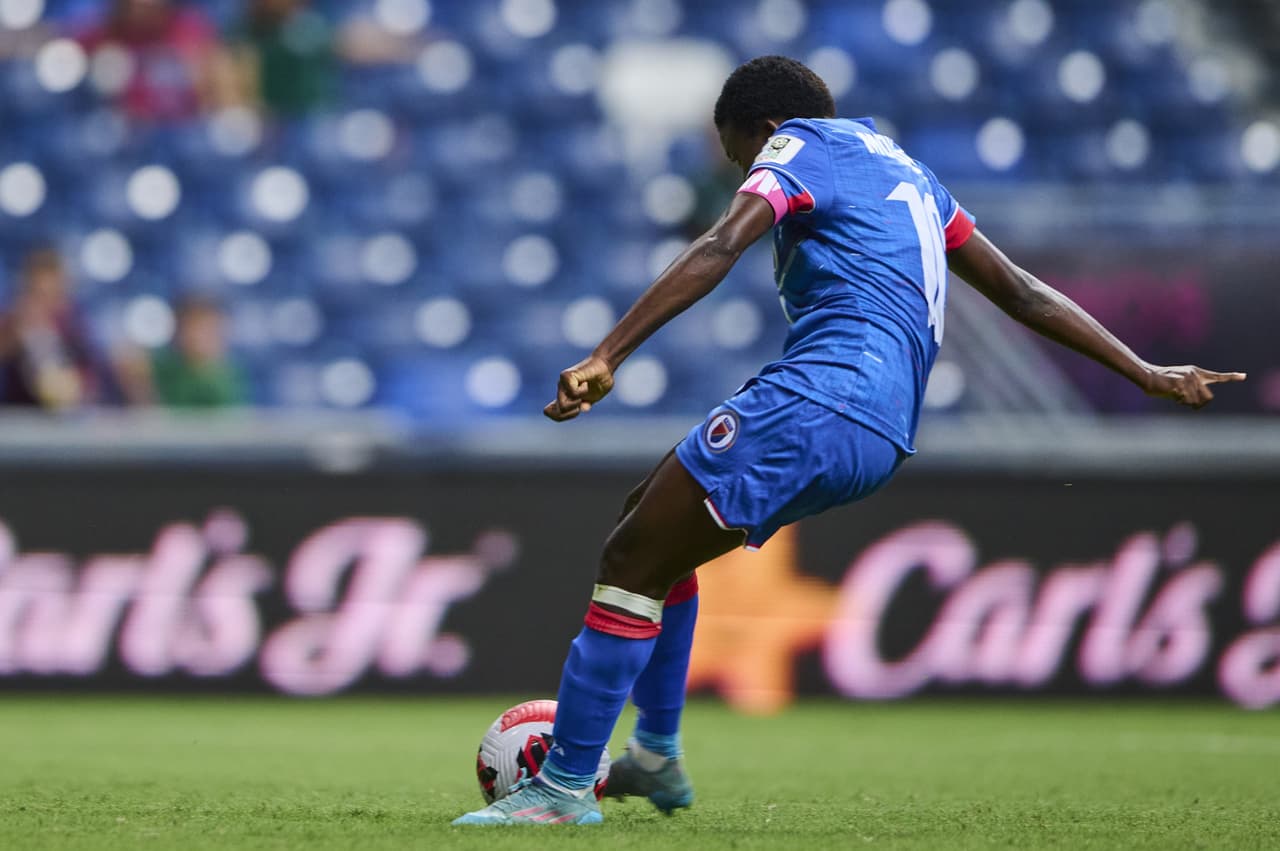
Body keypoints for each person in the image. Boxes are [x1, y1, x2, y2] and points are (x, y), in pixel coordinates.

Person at [452, 56, 1247, 826]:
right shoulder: (910, 174)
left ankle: (563, 787)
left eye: (738, 154)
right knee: (651, 526)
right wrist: (1144, 371)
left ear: (764, 128)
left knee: (630, 560)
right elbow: (1021, 290)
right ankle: (655, 754)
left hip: (825, 395)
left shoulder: (800, 145)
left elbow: (722, 244)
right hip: (884, 431)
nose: (742, 172)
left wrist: (607, 354)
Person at [73, 0, 239, 123]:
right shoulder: (100, 37)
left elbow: (220, 92)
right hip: (125, 136)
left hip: (184, 134)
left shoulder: (191, 31)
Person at [0, 247, 98, 410]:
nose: (44, 299)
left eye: (50, 291)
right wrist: (17, 334)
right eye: (38, 291)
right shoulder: (14, 317)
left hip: (68, 412)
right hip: (18, 410)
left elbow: (90, 371)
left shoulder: (74, 321)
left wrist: (73, 385)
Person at [115, 296, 246, 408]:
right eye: (193, 328)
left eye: (209, 330)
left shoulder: (231, 380)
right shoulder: (168, 368)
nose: (198, 337)